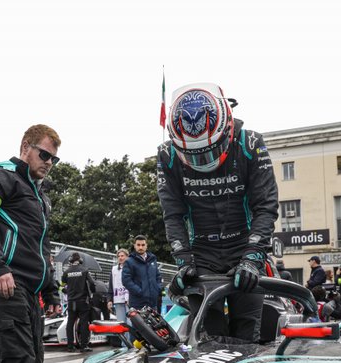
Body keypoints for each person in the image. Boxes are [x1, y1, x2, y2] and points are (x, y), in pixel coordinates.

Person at [157, 83, 279, 342]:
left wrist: (253, 257)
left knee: (247, 333)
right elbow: (173, 213)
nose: (204, 161)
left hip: (244, 247)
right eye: (195, 155)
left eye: (209, 151)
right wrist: (183, 259)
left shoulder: (251, 143)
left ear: (227, 128)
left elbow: (266, 205)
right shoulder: (167, 155)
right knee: (206, 335)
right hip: (202, 255)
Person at [0, 124, 62, 363]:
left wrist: (51, 291)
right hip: (3, 282)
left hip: (29, 290)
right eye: (44, 154)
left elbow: (43, 246)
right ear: (25, 148)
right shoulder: (0, 176)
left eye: (54, 158)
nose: (49, 162)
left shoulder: (41, 197)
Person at [62, 253, 95, 352]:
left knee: (70, 323)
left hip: (71, 301)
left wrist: (67, 291)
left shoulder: (66, 272)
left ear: (70, 261)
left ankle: (70, 346)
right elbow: (92, 283)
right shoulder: (85, 270)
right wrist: (92, 292)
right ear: (80, 260)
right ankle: (84, 346)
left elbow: (63, 285)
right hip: (83, 301)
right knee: (84, 323)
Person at [121, 235, 163, 311]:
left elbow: (158, 276)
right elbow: (126, 281)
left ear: (146, 245)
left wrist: (157, 289)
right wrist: (140, 292)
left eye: (143, 245)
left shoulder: (152, 259)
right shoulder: (129, 261)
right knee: (138, 323)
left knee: (155, 323)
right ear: (134, 246)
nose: (140, 247)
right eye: (138, 245)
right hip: (137, 303)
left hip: (153, 303)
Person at [107, 248, 130, 323]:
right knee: (121, 322)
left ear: (127, 257)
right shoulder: (114, 269)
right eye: (119, 256)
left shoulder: (131, 268)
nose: (120, 257)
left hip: (129, 299)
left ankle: (130, 335)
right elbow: (111, 285)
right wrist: (109, 300)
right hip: (118, 299)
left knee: (130, 322)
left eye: (122, 256)